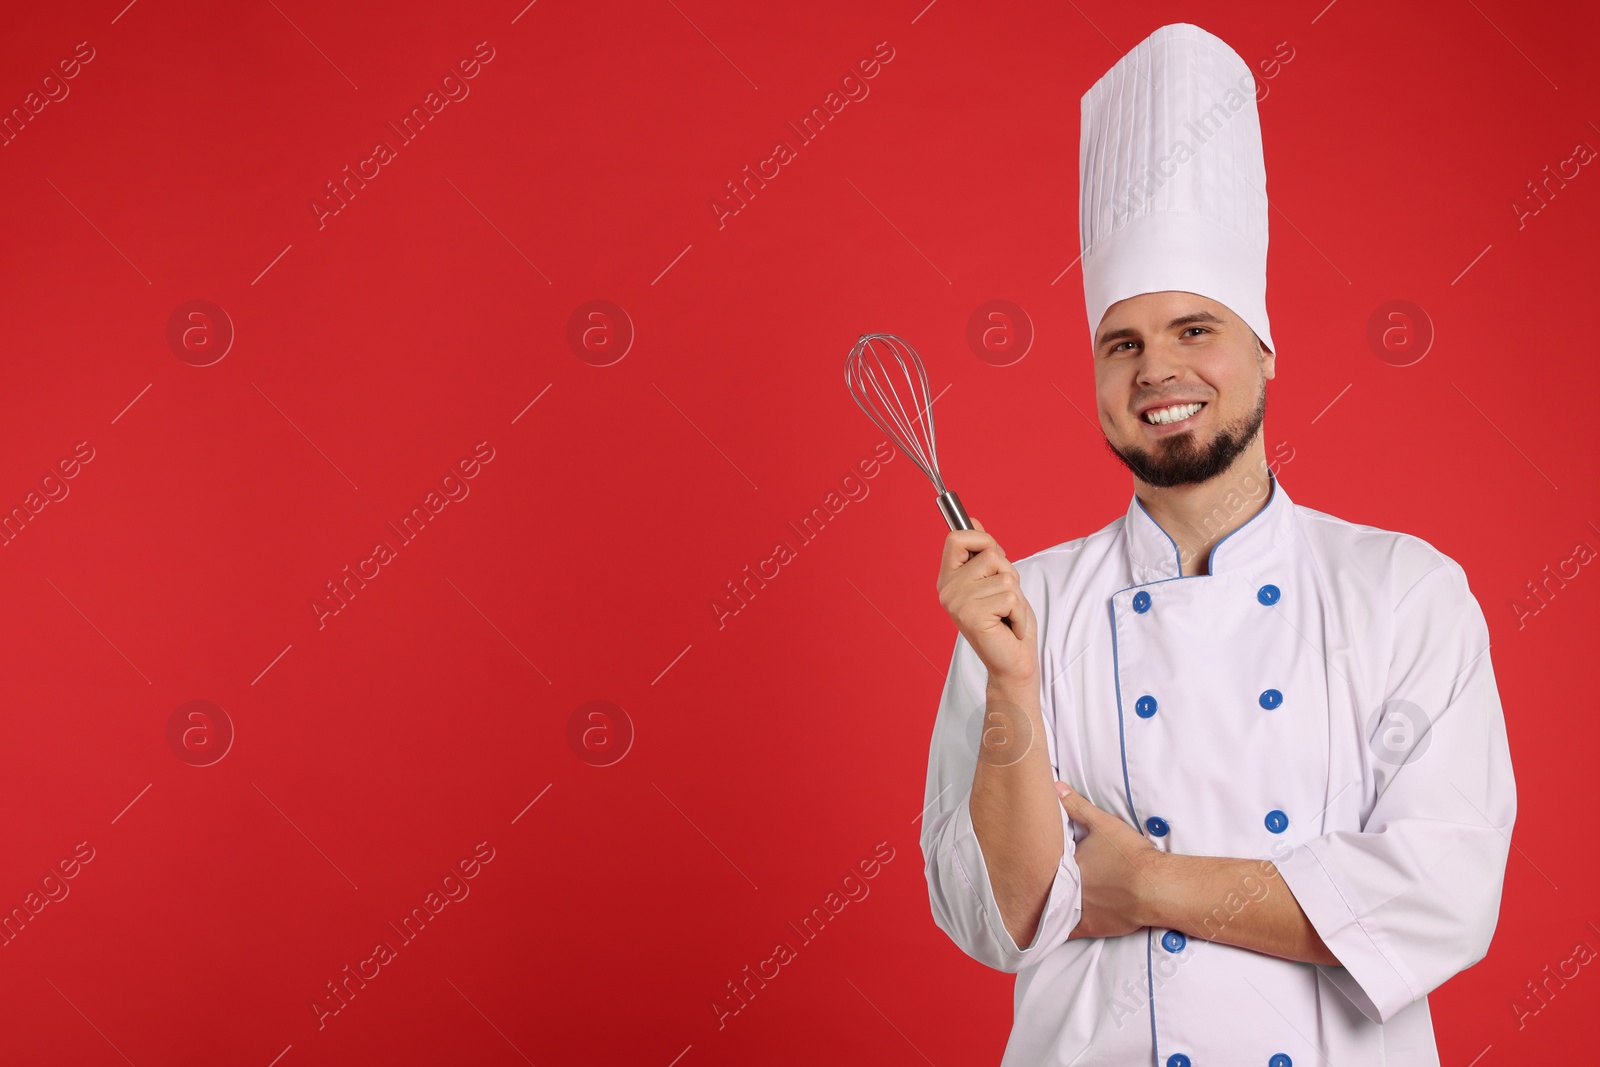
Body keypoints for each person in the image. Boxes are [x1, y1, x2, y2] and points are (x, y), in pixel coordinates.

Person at [918, 23, 1515, 1066]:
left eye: (1195, 329)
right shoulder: (1025, 608)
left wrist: (1142, 881)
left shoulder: (1403, 593)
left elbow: (1442, 892)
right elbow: (995, 914)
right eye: (1123, 343)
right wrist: (1011, 683)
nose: (1158, 371)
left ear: (1264, 350)